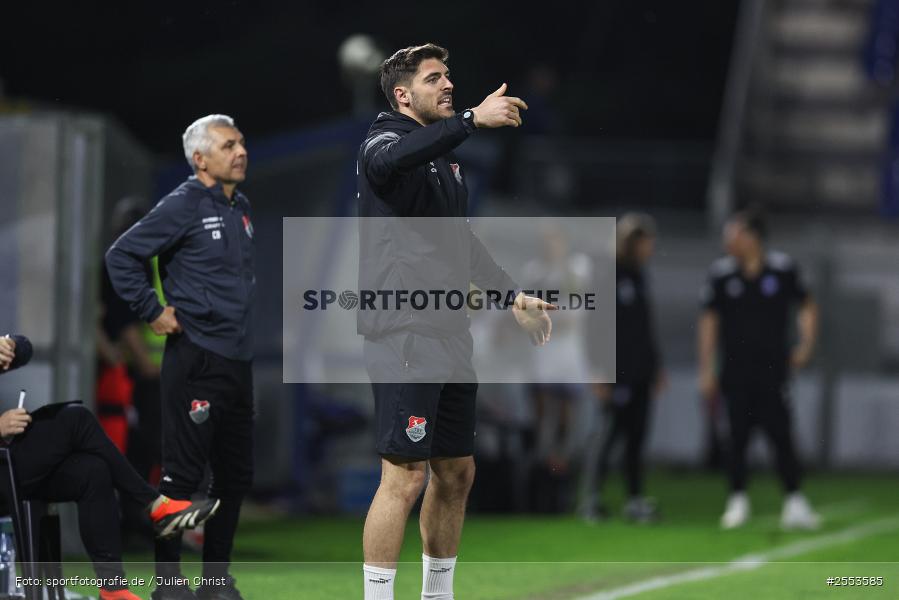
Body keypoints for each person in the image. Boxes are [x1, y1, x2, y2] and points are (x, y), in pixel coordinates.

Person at [358, 43, 556, 600]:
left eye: (449, 77)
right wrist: (470, 119)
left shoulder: (444, 160)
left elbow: (462, 243)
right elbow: (387, 163)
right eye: (434, 78)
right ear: (403, 95)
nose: (448, 85)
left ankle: (436, 596)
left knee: (457, 471)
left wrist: (512, 296)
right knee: (404, 476)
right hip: (404, 331)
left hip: (448, 333)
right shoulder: (384, 140)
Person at [106, 114, 255, 600]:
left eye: (240, 142)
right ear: (200, 159)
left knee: (234, 475)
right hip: (196, 358)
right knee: (181, 477)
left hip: (237, 360)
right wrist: (152, 309)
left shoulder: (241, 206)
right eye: (228, 145)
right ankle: (168, 584)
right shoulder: (184, 202)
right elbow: (121, 256)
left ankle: (215, 581)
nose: (240, 151)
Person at [0, 334, 218, 600]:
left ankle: (112, 589)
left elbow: (25, 348)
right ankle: (155, 505)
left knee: (93, 470)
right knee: (76, 419)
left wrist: (11, 345)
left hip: (10, 461)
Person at [698, 206, 820, 530]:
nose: (729, 242)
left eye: (734, 235)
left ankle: (794, 501)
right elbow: (709, 322)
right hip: (735, 371)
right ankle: (737, 500)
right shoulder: (721, 275)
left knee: (781, 435)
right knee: (735, 437)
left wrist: (806, 344)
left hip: (773, 371)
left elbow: (807, 305)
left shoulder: (782, 270)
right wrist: (706, 368)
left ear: (752, 237)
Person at [581, 213, 664, 523]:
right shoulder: (608, 276)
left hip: (641, 371)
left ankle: (634, 498)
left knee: (637, 437)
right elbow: (594, 327)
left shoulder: (640, 277)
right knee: (607, 435)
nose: (651, 248)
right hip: (615, 372)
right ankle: (591, 499)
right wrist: (597, 371)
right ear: (633, 243)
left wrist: (656, 367)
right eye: (647, 243)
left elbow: (645, 327)